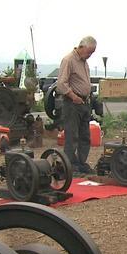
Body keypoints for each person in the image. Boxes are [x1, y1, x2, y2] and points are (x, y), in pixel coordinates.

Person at [56, 36, 97, 174]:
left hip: (84, 102)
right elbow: (61, 84)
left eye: (92, 53)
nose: (90, 55)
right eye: (89, 52)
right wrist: (73, 97)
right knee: (72, 135)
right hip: (72, 103)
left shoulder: (84, 62)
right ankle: (70, 166)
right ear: (81, 47)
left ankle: (81, 163)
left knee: (85, 136)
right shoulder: (68, 60)